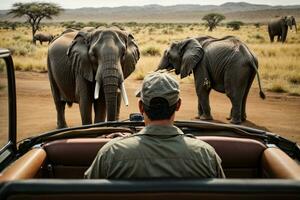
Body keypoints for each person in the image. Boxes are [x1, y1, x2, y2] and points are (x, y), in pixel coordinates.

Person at [84, 72, 225, 179]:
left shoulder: (111, 153)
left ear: (141, 107)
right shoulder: (206, 155)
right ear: (178, 105)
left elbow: (86, 192)